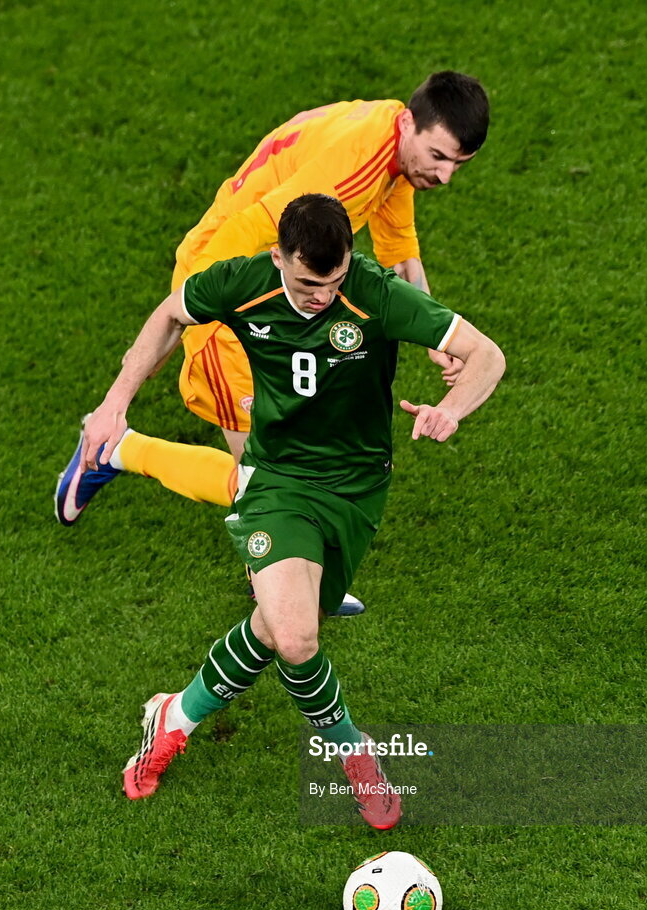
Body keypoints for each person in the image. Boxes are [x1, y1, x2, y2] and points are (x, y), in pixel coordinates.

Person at [88, 193, 505, 829]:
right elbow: (170, 316)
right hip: (277, 479)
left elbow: (487, 355)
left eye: (335, 282)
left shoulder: (375, 294)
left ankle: (174, 715)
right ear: (279, 256)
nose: (323, 297)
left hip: (357, 490)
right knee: (296, 635)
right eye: (310, 283)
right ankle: (354, 753)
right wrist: (118, 400)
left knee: (277, 623)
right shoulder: (243, 283)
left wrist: (453, 410)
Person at [55, 71, 490, 614]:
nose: (445, 177)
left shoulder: (394, 143)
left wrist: (433, 335)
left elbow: (399, 245)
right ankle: (114, 450)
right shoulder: (347, 174)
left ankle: (274, 568)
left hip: (285, 289)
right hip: (234, 285)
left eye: (458, 164)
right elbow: (250, 234)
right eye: (440, 157)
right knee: (261, 479)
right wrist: (230, 313)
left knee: (288, 454)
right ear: (409, 123)